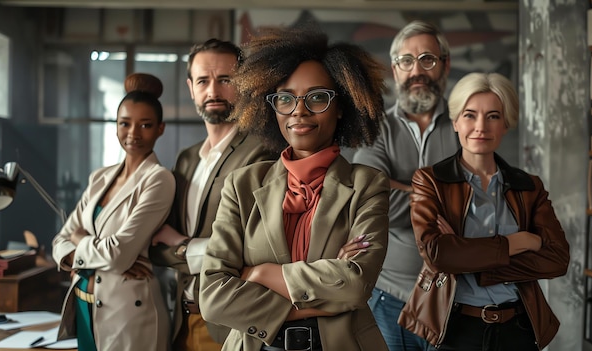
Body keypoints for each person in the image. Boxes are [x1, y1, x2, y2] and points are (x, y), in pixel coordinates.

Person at [199, 27, 390, 351]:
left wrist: (259, 273)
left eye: (317, 97)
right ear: (271, 107)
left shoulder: (367, 185)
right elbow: (213, 296)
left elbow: (355, 286)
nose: (299, 110)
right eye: (285, 98)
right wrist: (328, 292)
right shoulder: (243, 185)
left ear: (341, 105)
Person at [398, 72, 570, 350]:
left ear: (506, 123)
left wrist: (472, 259)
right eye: (469, 115)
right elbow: (437, 254)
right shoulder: (430, 181)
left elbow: (558, 258)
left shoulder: (529, 186)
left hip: (519, 329)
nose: (481, 126)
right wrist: (519, 242)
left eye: (493, 116)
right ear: (455, 122)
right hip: (456, 330)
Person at [149, 38, 278, 351]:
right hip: (181, 320)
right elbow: (154, 245)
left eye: (225, 80)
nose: (213, 92)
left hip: (229, 326)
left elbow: (252, 250)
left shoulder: (263, 153)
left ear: (244, 84)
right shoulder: (186, 158)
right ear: (191, 87)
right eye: (204, 81)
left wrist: (179, 247)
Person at [351, 20, 459, 351]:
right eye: (406, 61)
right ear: (395, 70)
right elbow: (371, 204)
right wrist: (442, 195)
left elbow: (476, 202)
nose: (417, 70)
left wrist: (398, 185)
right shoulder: (375, 130)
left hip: (457, 297)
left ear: (445, 65)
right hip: (389, 298)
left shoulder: (467, 122)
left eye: (427, 59)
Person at [52, 73, 174, 351]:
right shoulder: (100, 177)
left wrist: (80, 243)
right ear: (116, 125)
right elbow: (59, 240)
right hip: (84, 304)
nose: (133, 134)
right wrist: (86, 250)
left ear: (160, 129)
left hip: (129, 312)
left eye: (145, 125)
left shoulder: (159, 179)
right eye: (125, 124)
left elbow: (118, 256)